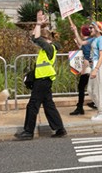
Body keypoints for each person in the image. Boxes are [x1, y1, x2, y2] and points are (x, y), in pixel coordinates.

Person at [14, 12, 66, 140]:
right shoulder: (48, 49)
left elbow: (36, 38)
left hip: (42, 81)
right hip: (44, 80)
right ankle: (60, 129)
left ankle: (28, 132)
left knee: (32, 105)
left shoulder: (49, 48)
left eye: (42, 39)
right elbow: (34, 37)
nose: (39, 42)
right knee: (48, 105)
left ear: (47, 39)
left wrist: (38, 23)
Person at [69, 24, 92, 115]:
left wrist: (83, 70)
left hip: (88, 68)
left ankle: (80, 107)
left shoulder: (87, 42)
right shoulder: (90, 41)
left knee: (82, 87)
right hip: (91, 67)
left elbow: (86, 57)